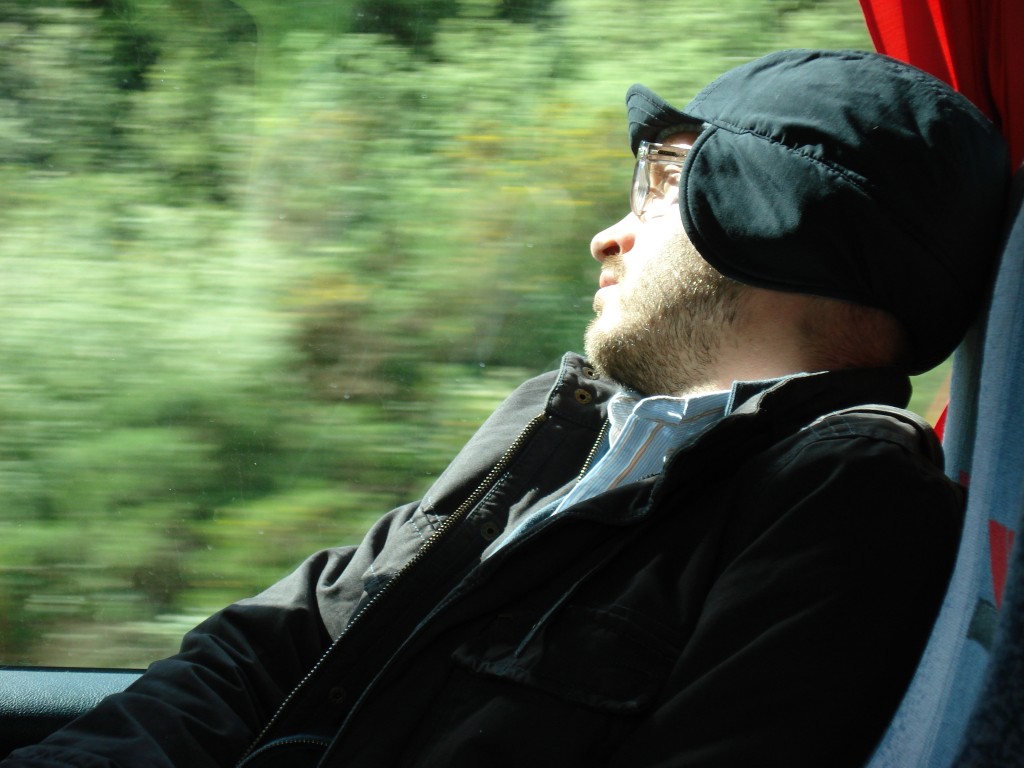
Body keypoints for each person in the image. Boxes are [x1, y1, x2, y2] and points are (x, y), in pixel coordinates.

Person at [3, 48, 1010, 768]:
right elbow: (274, 649)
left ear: (777, 210)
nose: (606, 237)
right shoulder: (568, 430)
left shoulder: (844, 499)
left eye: (661, 182)